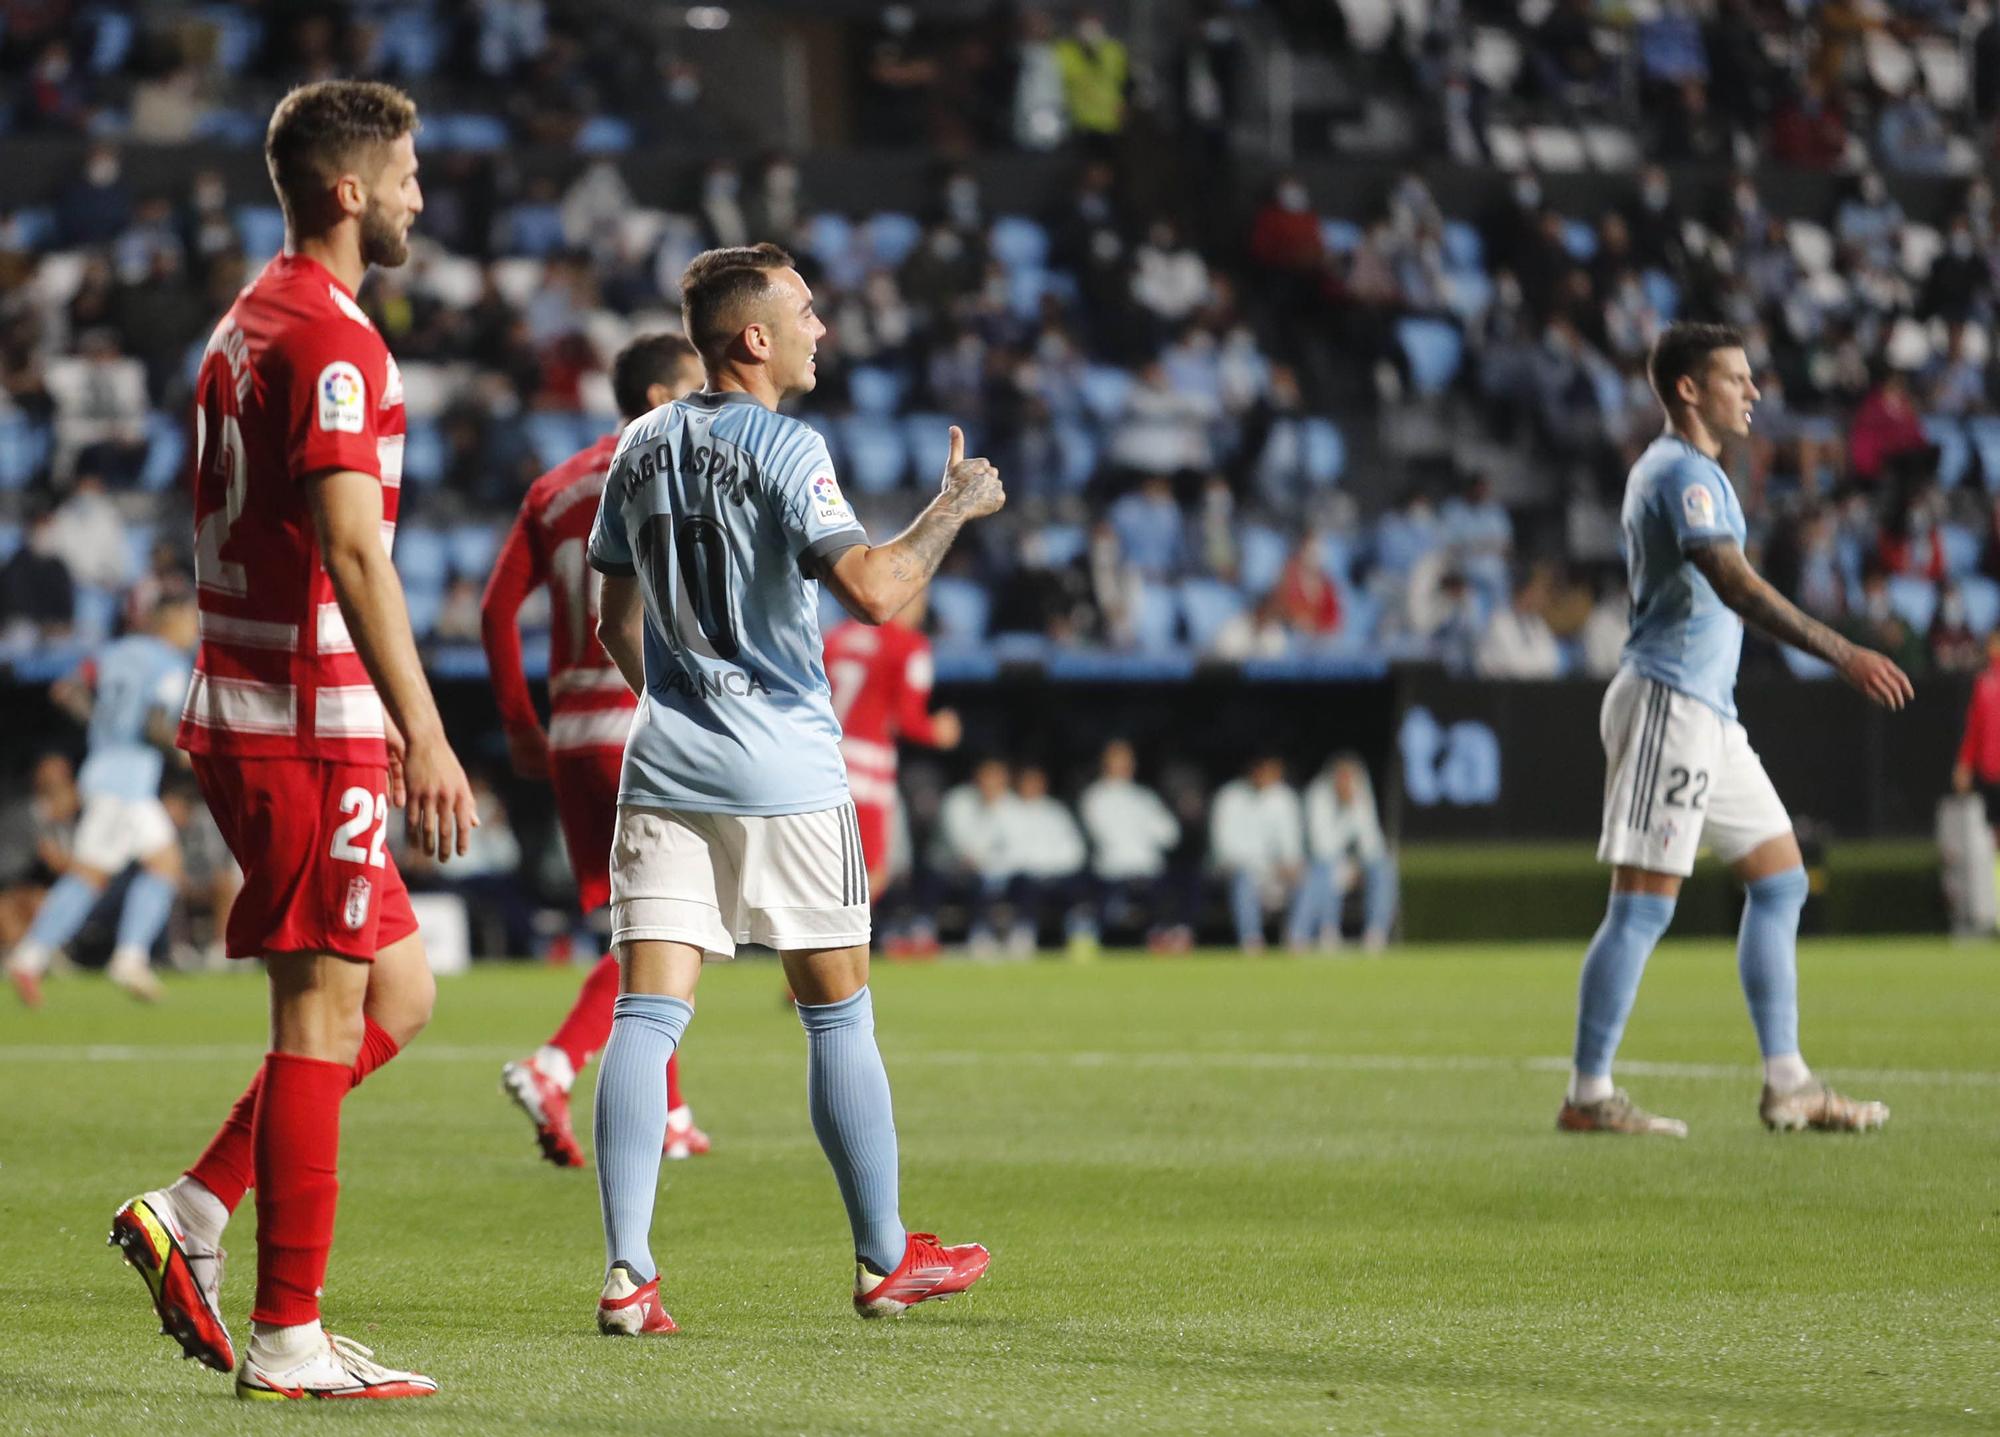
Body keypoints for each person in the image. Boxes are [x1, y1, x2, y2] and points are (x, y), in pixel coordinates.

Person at [106, 81, 477, 1401]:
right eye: (411, 173)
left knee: (401, 995)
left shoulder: (248, 318)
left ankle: (196, 1212)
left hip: (258, 696)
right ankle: (287, 1336)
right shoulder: (332, 339)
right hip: (305, 719)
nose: (425, 195)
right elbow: (353, 545)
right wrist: (426, 733)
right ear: (350, 192)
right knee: (318, 1016)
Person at [583, 241, 1002, 1335]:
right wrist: (953, 505)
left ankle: (628, 1275)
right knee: (837, 1012)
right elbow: (874, 592)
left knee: (644, 1015)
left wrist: (679, 702)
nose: (822, 329)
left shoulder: (636, 444)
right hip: (783, 771)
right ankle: (880, 1258)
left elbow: (611, 622)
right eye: (806, 312)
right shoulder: (785, 446)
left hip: (664, 766)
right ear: (752, 338)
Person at [1561, 321, 1909, 1140]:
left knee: (1783, 879)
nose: (1754, 392)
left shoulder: (1702, 472)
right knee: (1643, 906)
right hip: (1668, 707)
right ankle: (1587, 1090)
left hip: (1710, 714)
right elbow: (1736, 585)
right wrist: (1842, 650)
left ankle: (1787, 1082)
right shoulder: (1680, 473)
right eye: (1737, 378)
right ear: (1689, 389)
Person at [482, 333, 713, 1170]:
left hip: (574, 735)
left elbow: (494, 609)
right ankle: (552, 1066)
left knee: (641, 925)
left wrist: (520, 724)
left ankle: (672, 1113)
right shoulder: (681, 471)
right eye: (696, 387)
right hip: (647, 724)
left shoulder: (553, 486)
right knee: (669, 929)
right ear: (658, 398)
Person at [6, 590, 196, 1004]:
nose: (193, 630)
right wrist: (185, 754)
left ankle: (128, 957)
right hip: (125, 782)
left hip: (106, 769)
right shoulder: (168, 663)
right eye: (190, 620)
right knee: (90, 875)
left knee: (164, 864)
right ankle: (32, 956)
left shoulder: (115, 651)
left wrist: (104, 728)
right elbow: (154, 724)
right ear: (171, 621)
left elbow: (65, 690)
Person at [822, 587, 964, 898]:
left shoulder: (835, 637)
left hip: (824, 759)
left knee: (824, 864)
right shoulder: (909, 646)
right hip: (869, 763)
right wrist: (939, 731)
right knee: (870, 871)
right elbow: (908, 720)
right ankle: (846, 945)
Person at [1076, 739, 1188, 950]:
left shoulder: (1144, 797)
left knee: (1180, 886)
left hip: (1148, 869)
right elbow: (1104, 836)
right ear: (1105, 763)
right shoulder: (1095, 797)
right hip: (1112, 870)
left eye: (1126, 760)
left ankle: (1169, 936)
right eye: (1116, 760)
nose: (1123, 765)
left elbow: (1170, 835)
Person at [1290, 755, 1398, 952]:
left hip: (1352, 865)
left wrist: (1358, 867)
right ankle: (1314, 934)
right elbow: (1322, 847)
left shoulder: (1360, 793)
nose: (1346, 784)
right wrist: (1347, 813)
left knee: (1382, 866)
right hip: (1317, 864)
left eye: (1350, 779)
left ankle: (1375, 935)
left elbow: (1372, 843)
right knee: (1325, 869)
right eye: (1342, 779)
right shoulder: (1318, 794)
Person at [1209, 755, 1304, 953]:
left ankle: (1297, 937)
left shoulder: (1285, 798)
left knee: (1310, 876)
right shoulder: (1229, 797)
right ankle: (1251, 941)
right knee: (1244, 877)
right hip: (1236, 873)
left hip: (1276, 876)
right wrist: (1267, 867)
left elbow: (1291, 847)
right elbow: (1224, 851)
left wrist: (1290, 866)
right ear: (1254, 771)